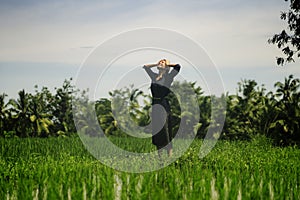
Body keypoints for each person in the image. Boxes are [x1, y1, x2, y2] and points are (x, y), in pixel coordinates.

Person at [143, 59, 181, 157]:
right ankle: (160, 156)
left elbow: (178, 66)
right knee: (156, 129)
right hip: (155, 105)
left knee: (165, 129)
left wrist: (168, 64)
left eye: (162, 62)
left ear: (166, 67)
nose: (160, 62)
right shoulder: (154, 76)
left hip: (163, 105)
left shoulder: (168, 77)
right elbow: (146, 67)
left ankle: (169, 155)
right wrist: (156, 64)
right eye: (160, 61)